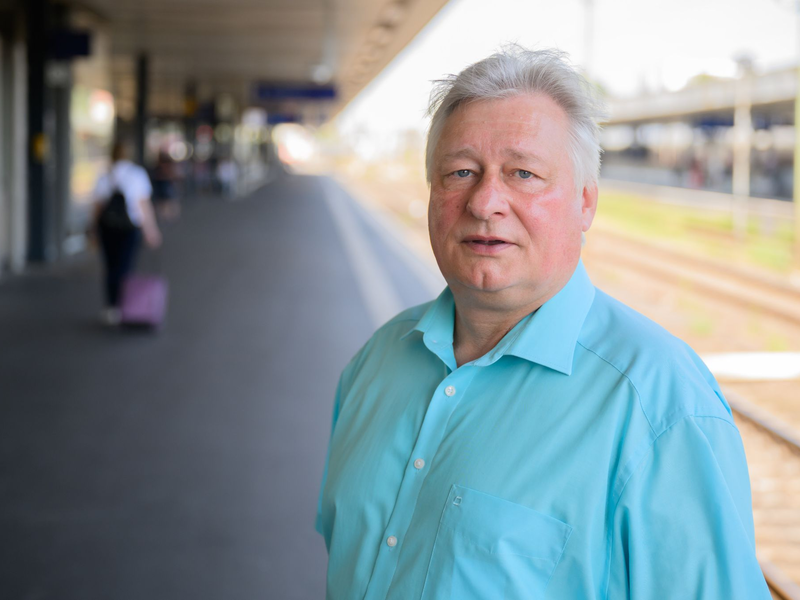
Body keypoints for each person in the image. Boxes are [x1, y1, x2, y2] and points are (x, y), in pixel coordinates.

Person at [315, 47, 771, 599]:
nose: (485, 202)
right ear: (433, 192)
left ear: (585, 204)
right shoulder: (376, 361)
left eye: (523, 174)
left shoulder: (661, 407)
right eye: (461, 171)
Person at [90, 141, 162, 326]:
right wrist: (151, 230)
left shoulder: (105, 175)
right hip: (130, 228)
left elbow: (97, 207)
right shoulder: (137, 174)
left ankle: (111, 307)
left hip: (107, 227)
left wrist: (93, 230)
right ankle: (126, 305)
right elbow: (143, 205)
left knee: (111, 267)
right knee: (125, 266)